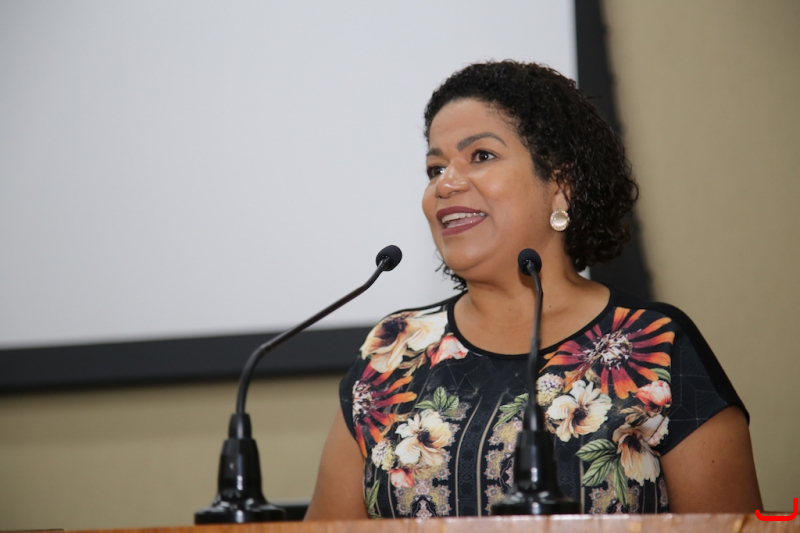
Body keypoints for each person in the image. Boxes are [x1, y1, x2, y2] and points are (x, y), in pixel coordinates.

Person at [305, 61, 761, 519]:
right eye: (435, 168)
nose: (446, 184)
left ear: (561, 185)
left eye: (481, 156)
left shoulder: (655, 345)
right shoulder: (392, 350)